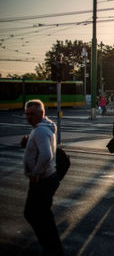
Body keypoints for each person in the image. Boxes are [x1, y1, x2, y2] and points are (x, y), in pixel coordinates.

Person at [22, 99, 64, 255]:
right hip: (48, 177)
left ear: (41, 113)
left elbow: (46, 155)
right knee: (41, 213)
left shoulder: (40, 130)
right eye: (26, 114)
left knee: (34, 213)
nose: (28, 117)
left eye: (32, 114)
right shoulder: (46, 126)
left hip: (42, 179)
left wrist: (35, 173)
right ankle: (52, 246)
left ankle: (52, 248)